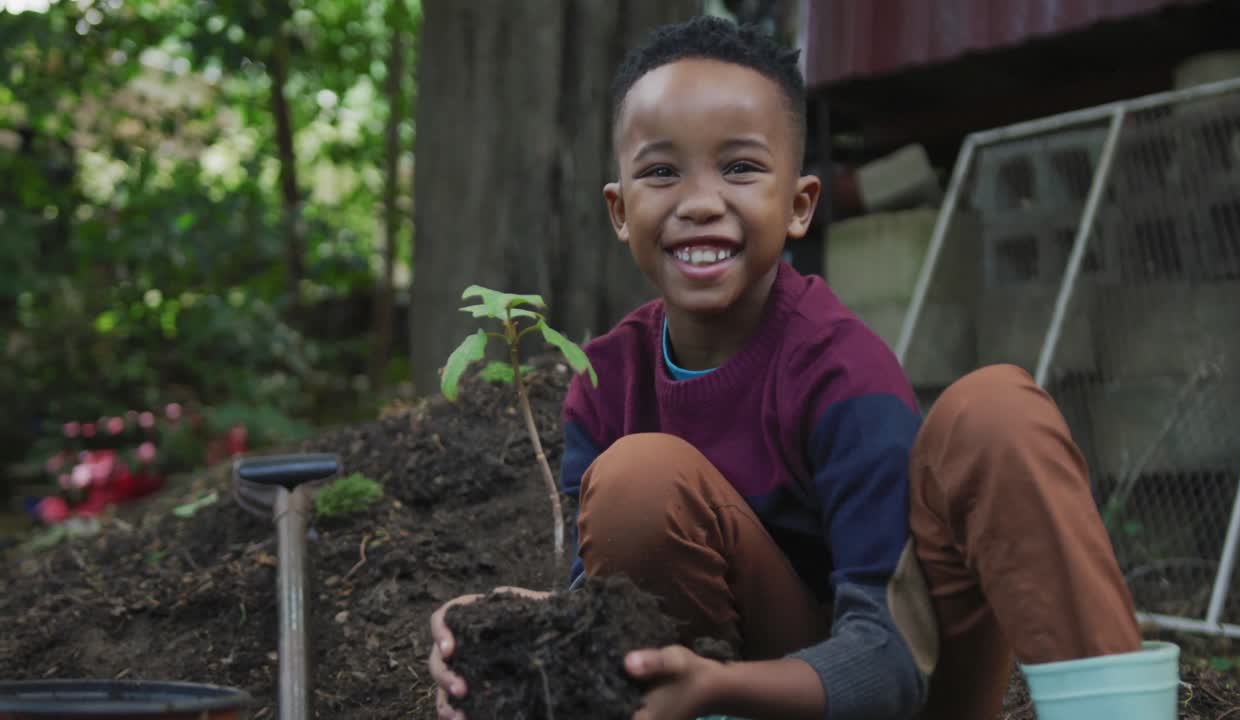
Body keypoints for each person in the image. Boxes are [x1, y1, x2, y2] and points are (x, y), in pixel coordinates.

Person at [430, 15, 1146, 720]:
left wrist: (720, 686)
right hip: (709, 695)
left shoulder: (842, 371)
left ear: (799, 205)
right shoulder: (605, 382)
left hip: (902, 691)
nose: (701, 203)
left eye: (740, 167)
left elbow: (891, 658)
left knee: (996, 409)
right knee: (638, 479)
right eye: (661, 171)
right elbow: (598, 616)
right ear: (620, 212)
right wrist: (497, 627)